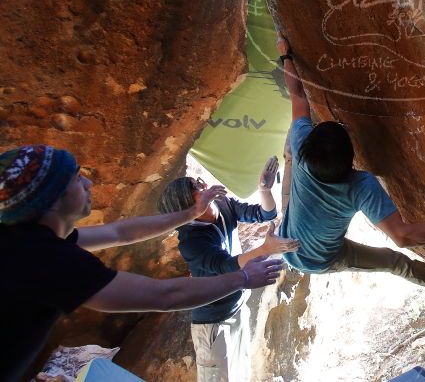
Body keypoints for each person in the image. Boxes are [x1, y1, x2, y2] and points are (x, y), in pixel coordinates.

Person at [0, 145, 285, 381]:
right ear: (51, 200)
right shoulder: (46, 259)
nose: (88, 182)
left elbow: (120, 232)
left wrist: (189, 214)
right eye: (75, 178)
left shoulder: (25, 238)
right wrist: (244, 278)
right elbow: (164, 296)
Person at [275, 33, 425, 288]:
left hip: (286, 239)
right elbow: (401, 236)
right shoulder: (359, 186)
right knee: (392, 261)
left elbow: (297, 95)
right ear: (352, 161)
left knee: (289, 171)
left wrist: (286, 55)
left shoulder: (301, 147)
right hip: (318, 259)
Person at [157, 156, 299, 382]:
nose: (204, 186)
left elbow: (264, 214)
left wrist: (264, 190)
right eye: (196, 188)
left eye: (198, 181)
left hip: (237, 307)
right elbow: (226, 266)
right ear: (187, 208)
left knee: (241, 374)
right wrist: (265, 248)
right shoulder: (191, 241)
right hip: (213, 324)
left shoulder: (222, 205)